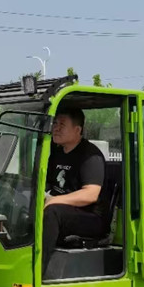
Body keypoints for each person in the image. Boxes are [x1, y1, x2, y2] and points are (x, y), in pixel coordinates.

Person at [42, 108, 106, 268]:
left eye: (62, 125)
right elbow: (47, 183)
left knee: (52, 212)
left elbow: (90, 194)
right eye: (55, 123)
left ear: (77, 130)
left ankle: (37, 267)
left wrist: (53, 200)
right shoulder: (56, 153)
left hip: (89, 216)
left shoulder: (91, 156)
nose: (56, 128)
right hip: (61, 208)